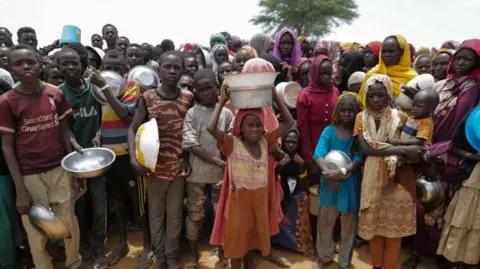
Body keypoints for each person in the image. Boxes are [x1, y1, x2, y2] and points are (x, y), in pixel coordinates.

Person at [0, 44, 83, 269]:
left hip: (59, 169)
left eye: (31, 61)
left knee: (68, 223)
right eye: (18, 63)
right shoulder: (7, 101)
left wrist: (74, 164)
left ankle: (73, 262)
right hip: (29, 175)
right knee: (37, 231)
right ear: (11, 67)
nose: (26, 66)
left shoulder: (54, 94)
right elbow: (7, 147)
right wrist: (20, 190)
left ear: (40, 64)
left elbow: (65, 130)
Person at [207, 68, 294, 269]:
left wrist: (274, 95)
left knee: (251, 247)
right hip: (238, 205)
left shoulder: (267, 141)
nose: (255, 129)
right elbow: (211, 128)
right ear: (240, 127)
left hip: (259, 204)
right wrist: (221, 101)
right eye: (250, 126)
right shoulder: (232, 144)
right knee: (237, 247)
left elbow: (289, 122)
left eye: (258, 125)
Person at [128, 51, 194, 269]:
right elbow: (133, 128)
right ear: (159, 70)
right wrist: (133, 158)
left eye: (177, 67)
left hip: (177, 168)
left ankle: (172, 255)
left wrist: (185, 156)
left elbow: (191, 131)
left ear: (182, 70)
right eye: (168, 67)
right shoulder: (148, 98)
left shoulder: (187, 98)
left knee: (174, 216)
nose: (172, 71)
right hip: (153, 169)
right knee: (156, 216)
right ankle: (160, 255)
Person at [354, 74, 425, 269]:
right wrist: (402, 149)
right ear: (365, 97)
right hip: (371, 178)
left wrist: (404, 150)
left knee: (393, 234)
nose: (376, 100)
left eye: (381, 95)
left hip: (398, 179)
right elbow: (365, 148)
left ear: (389, 95)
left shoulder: (400, 117)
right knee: (375, 231)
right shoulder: (361, 117)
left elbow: (417, 146)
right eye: (371, 96)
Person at [423, 39, 480, 269]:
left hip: (459, 155)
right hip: (433, 147)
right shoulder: (444, 85)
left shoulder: (476, 88)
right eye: (459, 58)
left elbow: (472, 123)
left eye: (468, 59)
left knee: (447, 208)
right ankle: (423, 250)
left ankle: (443, 256)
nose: (461, 63)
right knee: (426, 200)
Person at [56, 47, 108, 267]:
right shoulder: (58, 94)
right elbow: (62, 127)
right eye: (65, 64)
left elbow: (107, 115)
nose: (70, 68)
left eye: (75, 63)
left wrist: (99, 134)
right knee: (79, 207)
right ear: (58, 67)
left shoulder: (94, 89)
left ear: (83, 65)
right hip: (72, 161)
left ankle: (98, 248)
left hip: (98, 159)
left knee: (99, 205)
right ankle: (83, 245)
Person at [182, 69, 234, 269]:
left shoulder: (226, 113)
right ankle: (193, 255)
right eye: (201, 89)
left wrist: (223, 163)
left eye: (210, 88)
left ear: (217, 88)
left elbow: (229, 142)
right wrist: (218, 162)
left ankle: (223, 254)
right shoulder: (192, 113)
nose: (206, 92)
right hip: (197, 174)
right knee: (194, 215)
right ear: (195, 91)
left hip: (221, 176)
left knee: (222, 216)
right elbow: (192, 146)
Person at [97, 50, 142, 265]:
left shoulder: (132, 87)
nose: (113, 72)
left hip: (127, 154)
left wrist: (105, 88)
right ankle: (122, 242)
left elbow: (124, 112)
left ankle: (146, 243)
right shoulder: (97, 88)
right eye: (109, 68)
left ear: (125, 71)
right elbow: (100, 116)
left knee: (135, 198)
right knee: (115, 201)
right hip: (108, 155)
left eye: (118, 69)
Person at [313, 92, 363, 269]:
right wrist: (329, 175)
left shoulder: (358, 135)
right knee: (326, 221)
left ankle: (344, 261)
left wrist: (340, 173)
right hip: (329, 183)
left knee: (348, 224)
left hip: (349, 184)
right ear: (337, 112)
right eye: (343, 110)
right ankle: (324, 256)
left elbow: (358, 160)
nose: (347, 114)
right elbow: (318, 155)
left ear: (357, 112)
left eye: (351, 111)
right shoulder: (329, 131)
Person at [270, 125, 315, 258]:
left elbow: (303, 186)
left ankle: (294, 242)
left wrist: (301, 167)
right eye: (287, 141)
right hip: (277, 195)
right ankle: (273, 241)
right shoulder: (276, 156)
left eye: (294, 142)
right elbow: (270, 181)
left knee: (302, 197)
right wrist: (279, 167)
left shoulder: (301, 158)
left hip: (292, 196)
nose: (290, 145)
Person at [297, 55, 340, 184]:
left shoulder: (336, 92)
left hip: (334, 146)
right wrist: (310, 160)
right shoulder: (305, 95)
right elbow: (303, 129)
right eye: (322, 73)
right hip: (314, 146)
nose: (326, 77)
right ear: (315, 73)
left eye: (329, 73)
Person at [359, 35, 418, 106]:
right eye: (383, 51)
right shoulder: (372, 74)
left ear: (402, 53)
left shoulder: (412, 76)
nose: (386, 55)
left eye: (391, 51)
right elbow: (362, 102)